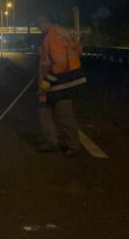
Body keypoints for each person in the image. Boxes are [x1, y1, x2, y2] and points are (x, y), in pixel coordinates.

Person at [36, 14, 86, 156]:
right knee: (43, 107)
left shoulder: (53, 36)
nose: (37, 27)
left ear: (45, 21)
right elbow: (79, 49)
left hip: (61, 80)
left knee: (64, 112)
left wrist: (47, 81)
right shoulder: (62, 32)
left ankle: (73, 146)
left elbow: (60, 63)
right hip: (64, 78)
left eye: (38, 23)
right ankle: (52, 141)